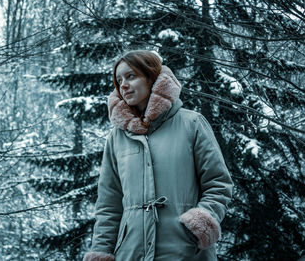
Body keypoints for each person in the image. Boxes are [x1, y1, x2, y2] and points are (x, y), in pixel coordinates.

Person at [83, 50, 233, 261]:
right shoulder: (116, 138)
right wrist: (101, 251)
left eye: (131, 76)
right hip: (130, 252)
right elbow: (109, 204)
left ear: (152, 77)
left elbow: (218, 183)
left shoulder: (192, 123)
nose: (123, 85)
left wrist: (199, 223)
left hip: (185, 251)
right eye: (119, 80)